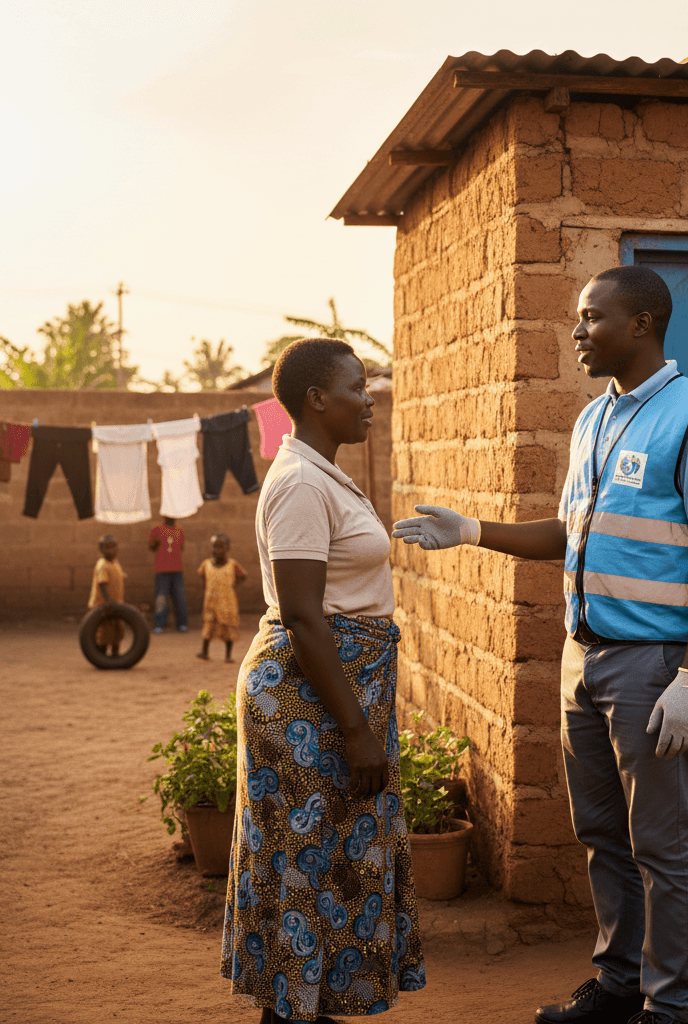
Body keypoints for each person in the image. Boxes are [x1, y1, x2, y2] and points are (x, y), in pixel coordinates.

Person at [393, 265, 688, 1024]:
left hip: (653, 666)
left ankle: (670, 1007)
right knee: (601, 835)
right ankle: (618, 986)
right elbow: (570, 533)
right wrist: (473, 531)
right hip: (583, 659)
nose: (578, 332)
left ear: (642, 324)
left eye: (592, 318)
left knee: (661, 842)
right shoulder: (594, 420)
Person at [220, 337, 425, 1024]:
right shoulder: (303, 483)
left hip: (331, 696)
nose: (369, 399)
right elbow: (306, 617)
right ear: (316, 399)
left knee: (330, 863)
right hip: (308, 701)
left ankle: (311, 1009)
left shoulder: (321, 471)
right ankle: (288, 1014)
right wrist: (357, 730)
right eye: (357, 387)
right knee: (303, 863)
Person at [197, 533, 247, 663]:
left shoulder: (232, 564)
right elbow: (202, 576)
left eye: (220, 547)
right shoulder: (206, 564)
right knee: (208, 625)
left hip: (227, 602)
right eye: (214, 547)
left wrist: (233, 586)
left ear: (227, 548)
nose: (217, 550)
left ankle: (228, 655)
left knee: (229, 627)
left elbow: (243, 575)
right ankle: (204, 651)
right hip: (211, 601)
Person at [88, 535, 126, 657]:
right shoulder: (102, 565)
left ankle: (116, 653)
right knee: (105, 631)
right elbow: (102, 584)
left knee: (117, 629)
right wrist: (108, 601)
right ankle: (102, 654)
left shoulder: (115, 563)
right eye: (108, 547)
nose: (112, 550)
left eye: (114, 547)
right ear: (101, 550)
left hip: (117, 603)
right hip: (103, 604)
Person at [148, 515, 188, 633]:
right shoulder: (157, 529)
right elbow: (151, 545)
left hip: (177, 570)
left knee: (180, 598)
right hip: (162, 571)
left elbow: (181, 547)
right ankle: (159, 624)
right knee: (161, 598)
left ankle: (182, 623)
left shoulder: (179, 530)